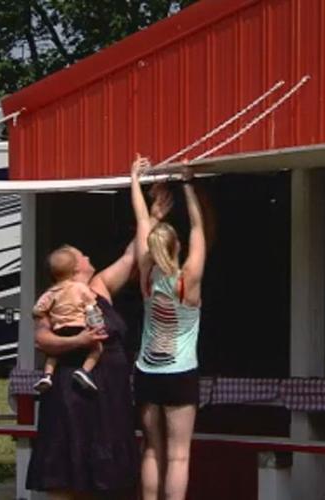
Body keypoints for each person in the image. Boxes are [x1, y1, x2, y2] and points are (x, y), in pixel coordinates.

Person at [26, 187, 173, 500]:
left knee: (107, 477)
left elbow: (131, 256)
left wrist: (154, 216)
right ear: (76, 267)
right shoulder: (56, 299)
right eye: (84, 256)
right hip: (72, 393)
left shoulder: (99, 287)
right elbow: (41, 338)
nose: (89, 257)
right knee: (68, 471)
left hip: (109, 395)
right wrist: (79, 340)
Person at [130, 155, 206, 500]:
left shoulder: (146, 276)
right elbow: (199, 229)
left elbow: (142, 222)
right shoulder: (186, 280)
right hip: (180, 373)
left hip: (147, 372)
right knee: (178, 455)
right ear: (177, 248)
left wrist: (135, 180)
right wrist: (188, 184)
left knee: (150, 450)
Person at [32, 246, 103, 393]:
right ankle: (84, 371)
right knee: (97, 349)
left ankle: (47, 375)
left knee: (53, 354)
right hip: (78, 326)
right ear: (74, 270)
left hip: (60, 328)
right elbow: (91, 305)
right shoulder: (80, 288)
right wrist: (96, 313)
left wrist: (44, 315)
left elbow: (37, 309)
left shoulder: (51, 292)